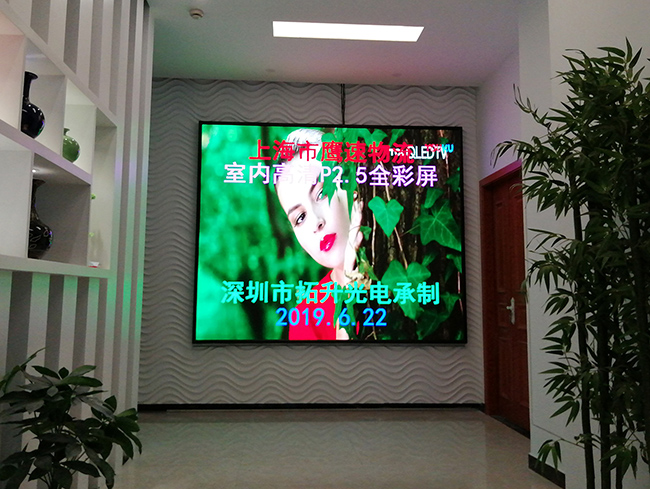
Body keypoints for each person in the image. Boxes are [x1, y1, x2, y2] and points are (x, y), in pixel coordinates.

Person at [275, 129, 363, 340]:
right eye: (300, 218)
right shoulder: (305, 319)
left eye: (322, 193)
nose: (316, 222)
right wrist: (349, 295)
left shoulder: (403, 275)